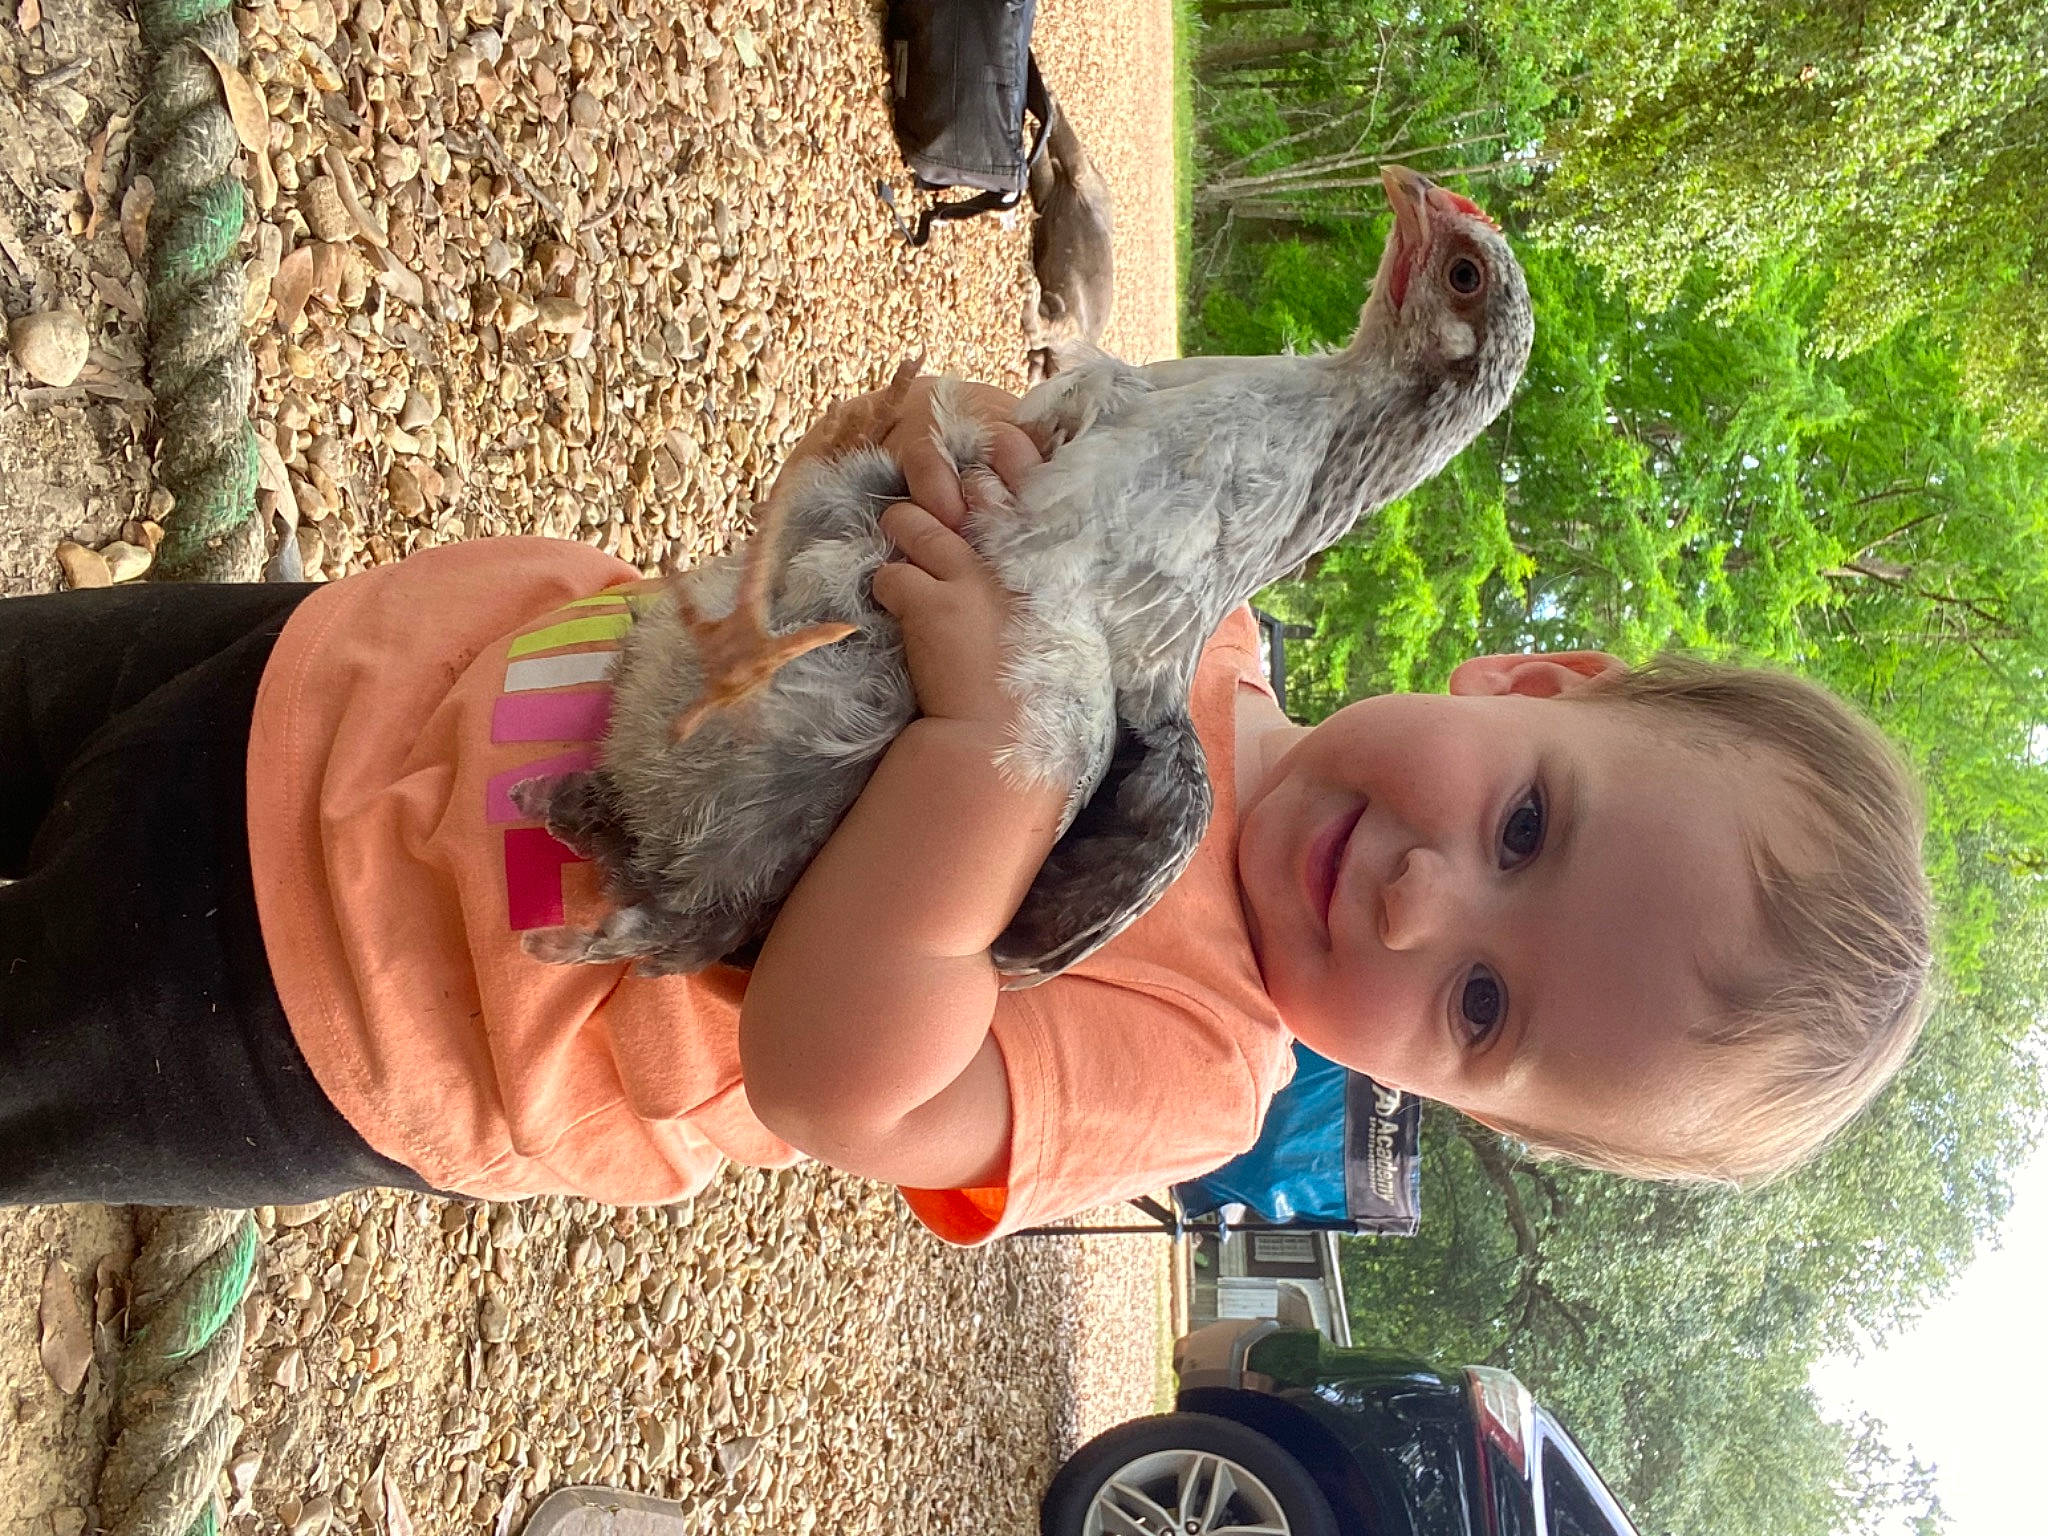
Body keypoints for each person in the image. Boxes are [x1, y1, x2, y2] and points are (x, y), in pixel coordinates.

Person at [0, 379, 1931, 1233]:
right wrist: (920, 468)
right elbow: (903, 524)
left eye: (1485, 1013)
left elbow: (844, 1083)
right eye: (1527, 830)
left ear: (1451, 1104)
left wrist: (995, 764)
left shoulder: (1198, 1062)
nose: (1423, 905)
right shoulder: (1210, 610)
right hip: (379, 670)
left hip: (340, 1007)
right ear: (1533, 685)